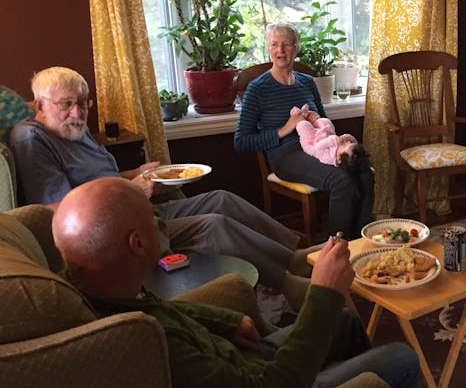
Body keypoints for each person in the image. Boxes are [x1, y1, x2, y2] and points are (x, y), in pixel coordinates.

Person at [53, 177, 420, 388]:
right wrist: (324, 293)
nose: (160, 223)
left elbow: (159, 309)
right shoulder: (146, 346)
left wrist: (223, 320)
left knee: (346, 321)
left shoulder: (99, 291)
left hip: (237, 363)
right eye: (154, 219)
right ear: (137, 243)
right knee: (401, 358)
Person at [10, 66, 312, 308]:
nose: (77, 113)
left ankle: (295, 255)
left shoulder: (73, 128)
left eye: (82, 104)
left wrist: (137, 174)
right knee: (214, 225)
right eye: (66, 105)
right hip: (116, 228)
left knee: (222, 198)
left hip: (135, 205)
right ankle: (288, 284)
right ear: (39, 105)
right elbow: (60, 209)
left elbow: (101, 175)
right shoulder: (31, 139)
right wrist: (130, 190)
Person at [234, 22, 374, 240]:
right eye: (274, 45)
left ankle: (362, 242)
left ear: (296, 48)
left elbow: (322, 119)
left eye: (286, 44)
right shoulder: (258, 88)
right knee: (342, 180)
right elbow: (241, 141)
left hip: (320, 147)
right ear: (268, 48)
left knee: (365, 172)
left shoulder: (307, 82)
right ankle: (336, 249)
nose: (280, 50)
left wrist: (340, 140)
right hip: (285, 155)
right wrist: (284, 130)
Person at [291, 103, 372, 173]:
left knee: (304, 127)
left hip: (312, 143)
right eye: (349, 143)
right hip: (324, 136)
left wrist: (335, 140)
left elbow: (318, 147)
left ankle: (299, 117)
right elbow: (354, 142)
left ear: (338, 160)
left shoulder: (328, 158)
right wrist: (347, 137)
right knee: (327, 123)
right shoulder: (344, 151)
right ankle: (314, 120)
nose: (347, 142)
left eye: (345, 146)